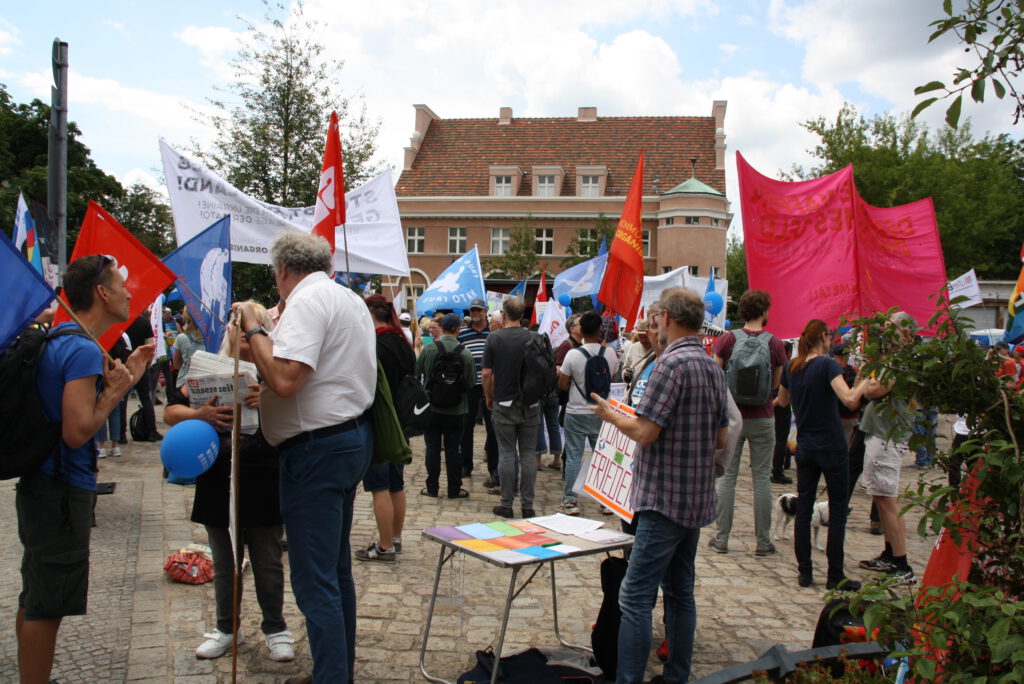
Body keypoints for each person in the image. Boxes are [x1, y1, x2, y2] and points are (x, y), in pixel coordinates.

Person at [234, 231, 376, 684]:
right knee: (334, 572)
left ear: (282, 271)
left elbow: (287, 380)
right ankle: (338, 670)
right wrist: (258, 341)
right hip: (345, 440)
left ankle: (332, 676)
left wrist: (256, 325)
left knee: (316, 581)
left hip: (316, 450)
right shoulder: (345, 298)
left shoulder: (307, 301)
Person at [17, 254, 153, 683]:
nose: (128, 291)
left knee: (37, 591)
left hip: (43, 484)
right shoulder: (79, 348)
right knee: (48, 603)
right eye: (120, 283)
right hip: (60, 490)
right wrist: (117, 391)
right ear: (101, 292)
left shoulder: (62, 338)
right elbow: (78, 431)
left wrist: (122, 380)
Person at [589, 287, 729, 683]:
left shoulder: (671, 365)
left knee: (634, 597)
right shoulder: (711, 366)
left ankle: (628, 678)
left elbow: (646, 432)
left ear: (666, 317)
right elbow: (720, 439)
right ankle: (677, 675)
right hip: (696, 499)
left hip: (664, 498)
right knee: (681, 593)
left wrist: (612, 415)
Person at [164, 303, 294, 662]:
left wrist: (267, 402)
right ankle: (226, 628)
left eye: (254, 328)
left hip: (264, 472)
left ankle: (275, 627)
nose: (246, 335)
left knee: (268, 560)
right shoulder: (207, 365)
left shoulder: (279, 370)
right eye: (239, 327)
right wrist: (199, 414)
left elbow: (300, 415)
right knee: (225, 561)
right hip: (219, 474)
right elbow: (170, 411)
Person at [775, 319, 867, 590]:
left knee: (804, 508)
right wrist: (862, 383)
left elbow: (782, 401)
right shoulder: (827, 365)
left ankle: (805, 572)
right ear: (825, 337)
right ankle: (834, 575)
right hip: (831, 445)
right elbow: (849, 399)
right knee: (837, 512)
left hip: (805, 446)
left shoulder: (793, 367)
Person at [709, 289, 788, 557]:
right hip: (763, 417)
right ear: (765, 311)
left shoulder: (728, 339)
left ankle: (722, 537)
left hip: (733, 418)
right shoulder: (775, 343)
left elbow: (715, 375)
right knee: (762, 479)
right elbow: (776, 384)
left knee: (728, 477)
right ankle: (763, 541)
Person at [353, 295, 417, 563]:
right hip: (400, 420)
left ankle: (385, 545)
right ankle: (396, 537)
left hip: (379, 420)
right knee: (395, 483)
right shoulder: (402, 342)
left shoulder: (373, 344)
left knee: (380, 486)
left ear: (369, 313)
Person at [857, 311, 918, 585]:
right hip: (879, 432)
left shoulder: (898, 362)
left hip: (888, 435)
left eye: (890, 325)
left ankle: (902, 562)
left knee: (888, 498)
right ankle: (890, 552)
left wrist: (869, 380)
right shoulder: (889, 360)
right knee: (880, 496)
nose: (883, 329)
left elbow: (873, 389)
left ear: (902, 332)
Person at [482, 297, 540, 518]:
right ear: (522, 315)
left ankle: (506, 504)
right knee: (527, 454)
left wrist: (489, 396)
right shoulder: (533, 337)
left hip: (504, 401)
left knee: (506, 453)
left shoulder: (494, 338)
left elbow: (487, 373)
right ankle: (528, 505)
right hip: (530, 402)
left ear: (504, 315)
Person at [557, 311, 618, 516]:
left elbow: (563, 384)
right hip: (602, 411)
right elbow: (612, 377)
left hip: (576, 410)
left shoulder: (573, 354)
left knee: (574, 456)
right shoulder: (609, 353)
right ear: (600, 330)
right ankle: (605, 501)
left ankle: (570, 500)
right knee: (601, 455)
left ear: (581, 330)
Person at [418, 312, 475, 500]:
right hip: (456, 408)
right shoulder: (464, 352)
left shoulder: (429, 349)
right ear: (458, 329)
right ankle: (454, 488)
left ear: (442, 328)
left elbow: (418, 372)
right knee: (453, 449)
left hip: (431, 407)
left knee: (432, 447)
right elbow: (471, 381)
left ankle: (432, 487)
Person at [458, 298, 497, 481]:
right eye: (472, 310)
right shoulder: (462, 333)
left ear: (485, 311)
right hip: (470, 386)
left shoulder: (493, 332)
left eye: (478, 310)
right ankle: (466, 465)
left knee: (493, 427)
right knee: (466, 427)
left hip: (490, 386)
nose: (475, 313)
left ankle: (493, 468)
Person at [126, 310, 161, 442]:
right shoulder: (144, 322)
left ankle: (120, 435)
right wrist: (149, 362)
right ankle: (152, 431)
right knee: (146, 397)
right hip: (141, 364)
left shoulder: (123, 321)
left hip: (126, 363)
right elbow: (151, 344)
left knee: (122, 400)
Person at [770, 340, 795, 484]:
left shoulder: (773, 363)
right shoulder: (788, 366)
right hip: (781, 405)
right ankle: (777, 471)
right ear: (789, 353)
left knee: (774, 438)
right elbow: (784, 395)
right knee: (780, 439)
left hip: (770, 403)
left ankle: (780, 466)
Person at [173, 308, 205, 401]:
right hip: (208, 384)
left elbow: (176, 365)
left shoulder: (181, 338)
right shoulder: (214, 338)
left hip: (185, 385)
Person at [621, 320, 651, 384]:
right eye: (640, 337)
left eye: (645, 337)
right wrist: (625, 374)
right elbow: (625, 367)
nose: (643, 340)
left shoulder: (657, 349)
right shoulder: (633, 347)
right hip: (632, 389)